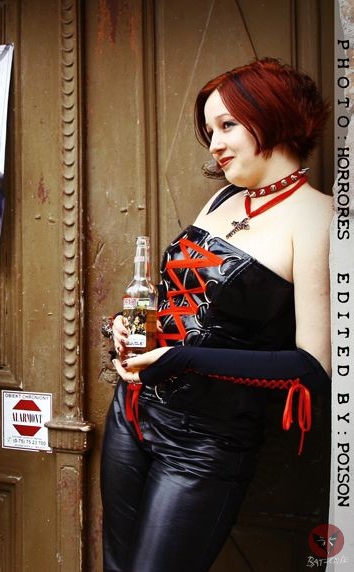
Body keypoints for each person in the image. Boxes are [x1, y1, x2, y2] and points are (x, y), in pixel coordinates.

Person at [101, 58, 331, 571]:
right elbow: (178, 303)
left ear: (273, 115)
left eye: (227, 125)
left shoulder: (320, 218)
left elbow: (313, 369)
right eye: (210, 130)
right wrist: (129, 326)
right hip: (132, 414)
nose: (214, 144)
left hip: (205, 443)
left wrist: (185, 359)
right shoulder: (223, 197)